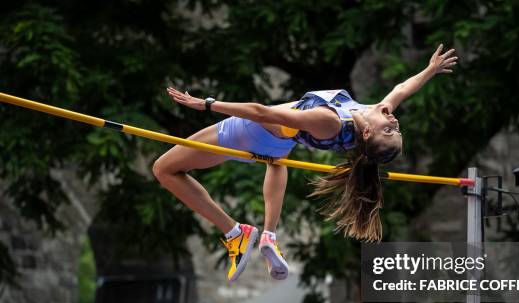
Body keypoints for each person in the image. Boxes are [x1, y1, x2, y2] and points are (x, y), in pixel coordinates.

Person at [155, 44, 457, 281]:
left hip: (248, 131)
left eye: (389, 128)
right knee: (276, 162)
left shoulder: (328, 121)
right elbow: (402, 89)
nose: (393, 118)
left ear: (367, 133)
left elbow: (262, 113)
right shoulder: (372, 114)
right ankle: (269, 235)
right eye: (395, 126)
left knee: (164, 169)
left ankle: (235, 232)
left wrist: (206, 104)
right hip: (277, 144)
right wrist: (430, 70)